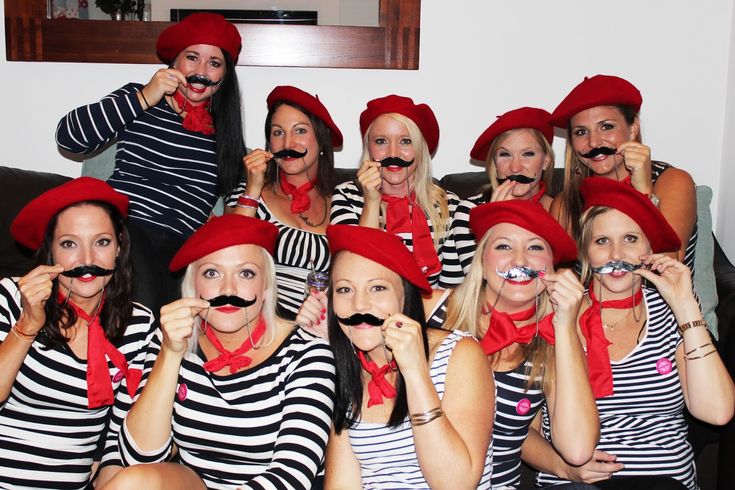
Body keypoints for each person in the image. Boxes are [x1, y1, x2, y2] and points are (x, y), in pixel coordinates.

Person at [100, 214, 335, 490]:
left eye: (245, 273)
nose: (228, 289)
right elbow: (139, 457)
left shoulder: (308, 354)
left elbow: (292, 475)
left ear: (266, 286)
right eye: (212, 273)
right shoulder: (172, 340)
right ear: (194, 286)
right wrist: (171, 354)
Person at [527, 177, 734, 489]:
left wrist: (686, 307)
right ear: (585, 251)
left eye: (630, 239)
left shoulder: (669, 312)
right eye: (602, 242)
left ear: (649, 249)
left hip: (664, 479)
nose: (615, 255)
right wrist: (563, 468)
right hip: (574, 483)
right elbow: (515, 429)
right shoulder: (554, 311)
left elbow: (717, 412)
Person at [56, 13, 246, 316]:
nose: (200, 71)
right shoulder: (140, 98)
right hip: (127, 230)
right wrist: (144, 98)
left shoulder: (227, 135)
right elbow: (68, 138)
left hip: (182, 249)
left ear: (224, 76)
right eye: (192, 58)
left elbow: (236, 211)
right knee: (142, 271)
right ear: (174, 63)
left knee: (180, 291)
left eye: (214, 63)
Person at [1, 177, 156, 488]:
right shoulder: (10, 296)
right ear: (51, 252)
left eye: (102, 242)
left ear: (119, 247)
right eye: (69, 243)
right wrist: (27, 326)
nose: (87, 260)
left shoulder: (139, 323)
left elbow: (121, 435)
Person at [324, 224, 494, 488]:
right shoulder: (346, 368)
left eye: (378, 288)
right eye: (344, 290)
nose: (359, 305)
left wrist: (415, 374)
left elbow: (456, 484)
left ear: (405, 296)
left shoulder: (460, 354)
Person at [444, 200, 598, 489]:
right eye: (503, 246)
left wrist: (564, 325)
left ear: (552, 267)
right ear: (481, 260)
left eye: (535, 247)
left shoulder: (554, 343)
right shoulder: (434, 311)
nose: (519, 261)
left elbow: (577, 449)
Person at [549, 74, 697, 270]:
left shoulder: (673, 182)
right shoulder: (565, 204)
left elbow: (668, 267)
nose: (594, 142)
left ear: (633, 128)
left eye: (606, 127)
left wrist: (644, 192)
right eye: (581, 132)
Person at [226, 85, 342, 319]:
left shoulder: (344, 203)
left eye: (299, 131)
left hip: (326, 326)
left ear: (321, 140)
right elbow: (227, 255)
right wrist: (253, 187)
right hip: (267, 322)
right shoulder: (249, 194)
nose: (288, 143)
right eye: (278, 132)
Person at [330, 94, 463, 288]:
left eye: (405, 141)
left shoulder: (450, 205)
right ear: (369, 147)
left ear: (420, 148)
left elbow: (452, 290)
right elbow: (357, 273)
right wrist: (372, 202)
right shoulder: (346, 196)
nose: (393, 153)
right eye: (381, 141)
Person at [453, 106, 556, 276]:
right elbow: (481, 280)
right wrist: (496, 220)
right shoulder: (470, 210)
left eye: (528, 154)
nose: (515, 167)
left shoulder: (559, 210)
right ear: (494, 164)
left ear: (546, 161)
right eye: (505, 155)